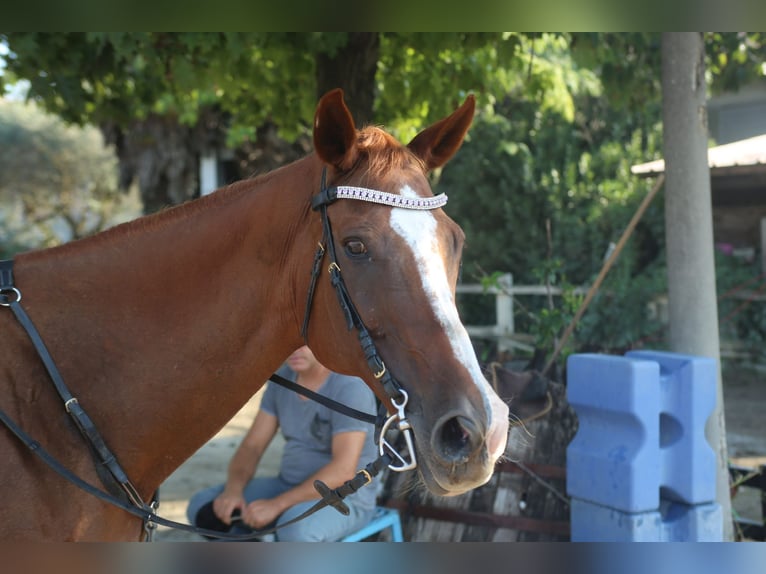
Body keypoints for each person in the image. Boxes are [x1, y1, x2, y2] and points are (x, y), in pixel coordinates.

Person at [186, 346, 381, 541]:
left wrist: (277, 505)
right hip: (287, 485)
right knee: (203, 507)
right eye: (289, 342)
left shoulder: (350, 387)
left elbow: (343, 471)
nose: (293, 350)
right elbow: (252, 447)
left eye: (302, 343)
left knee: (294, 531)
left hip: (345, 497)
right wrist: (233, 491)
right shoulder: (283, 379)